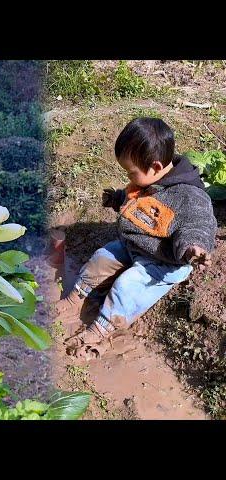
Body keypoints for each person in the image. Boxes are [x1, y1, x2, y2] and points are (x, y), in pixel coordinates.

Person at [54, 117, 217, 360]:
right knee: (101, 258)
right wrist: (118, 199)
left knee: (127, 286)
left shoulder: (189, 198)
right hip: (138, 245)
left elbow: (197, 225)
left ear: (156, 166)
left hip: (165, 261)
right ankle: (79, 296)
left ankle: (103, 328)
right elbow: (138, 203)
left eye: (131, 172)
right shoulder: (152, 179)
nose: (129, 177)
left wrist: (194, 248)